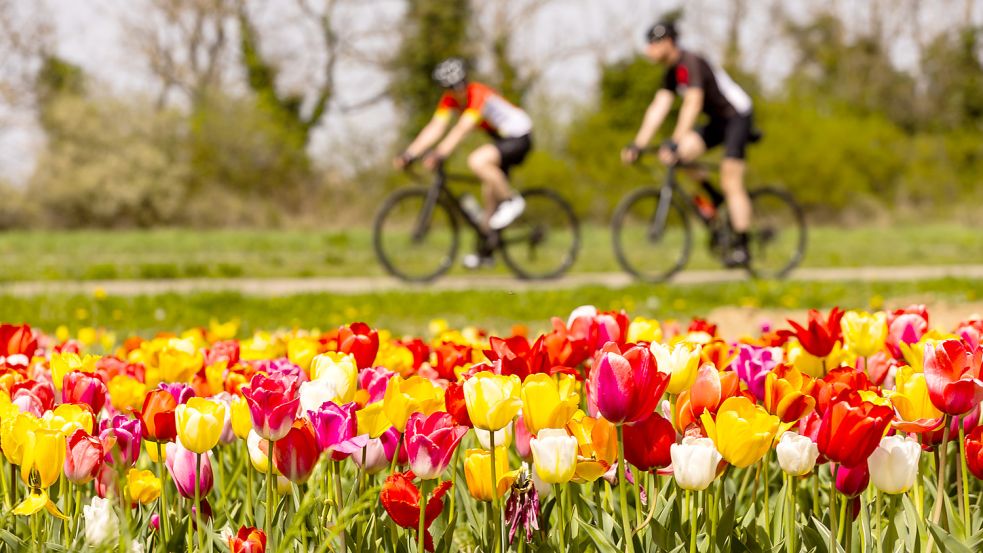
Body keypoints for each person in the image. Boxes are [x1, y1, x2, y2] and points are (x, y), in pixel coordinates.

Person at [622, 21, 756, 267]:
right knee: (679, 156)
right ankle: (713, 195)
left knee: (731, 179)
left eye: (653, 43)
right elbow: (658, 107)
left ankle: (744, 247)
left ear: (669, 42)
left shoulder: (690, 62)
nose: (648, 50)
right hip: (717, 121)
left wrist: (674, 140)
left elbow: (693, 103)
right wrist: (638, 144)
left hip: (737, 116)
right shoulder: (671, 72)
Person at [394, 58, 531, 269]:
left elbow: (463, 128)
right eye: (451, 88)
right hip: (502, 140)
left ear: (465, 81)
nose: (457, 91)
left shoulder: (478, 93)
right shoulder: (449, 100)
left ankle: (512, 201)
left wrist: (439, 154)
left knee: (477, 161)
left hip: (519, 136)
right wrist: (409, 154)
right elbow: (435, 128)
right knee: (488, 200)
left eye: (459, 85)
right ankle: (486, 254)